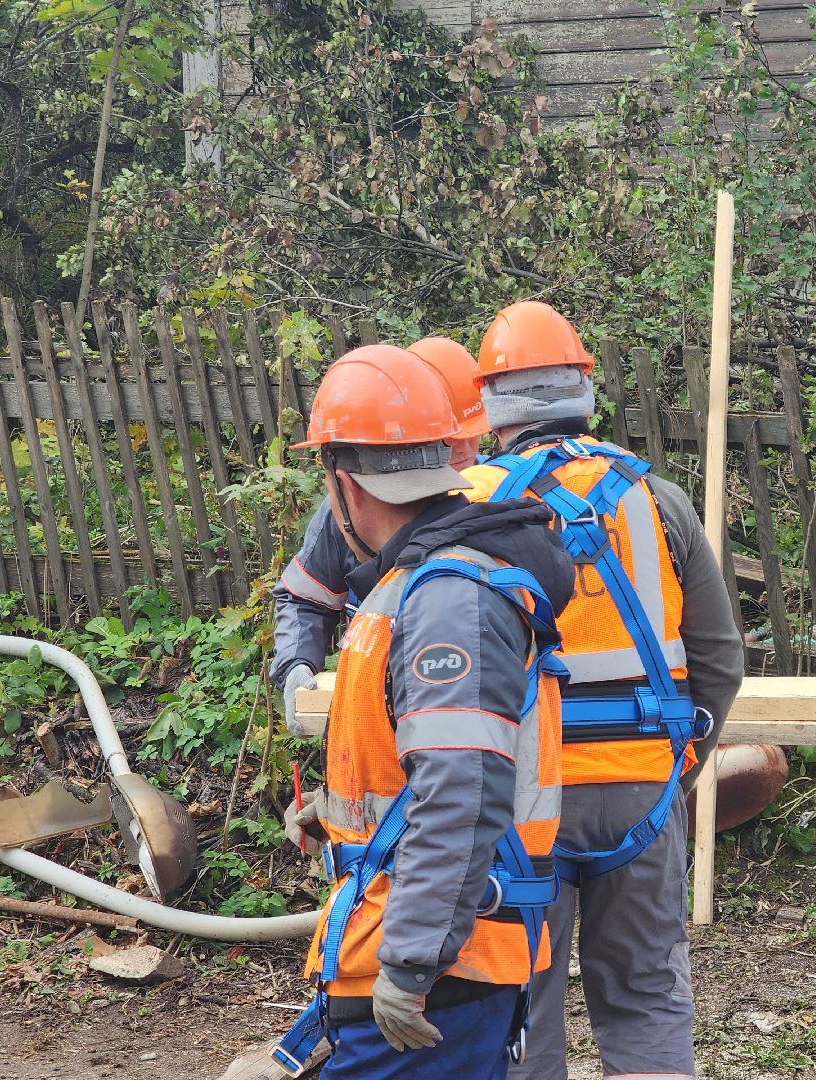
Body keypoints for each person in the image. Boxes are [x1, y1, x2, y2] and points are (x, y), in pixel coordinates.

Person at [274, 343, 575, 1079]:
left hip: (435, 970)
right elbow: (424, 768)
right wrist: (339, 810)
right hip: (413, 949)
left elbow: (462, 792)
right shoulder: (422, 584)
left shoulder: (448, 600)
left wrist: (410, 965)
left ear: (343, 484)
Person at [465, 300, 745, 1080]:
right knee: (647, 996)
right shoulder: (655, 500)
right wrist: (675, 771)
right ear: (584, 390)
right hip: (640, 795)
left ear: (492, 402)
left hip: (520, 801)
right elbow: (720, 661)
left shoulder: (466, 505)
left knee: (521, 995)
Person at [271, 337, 491, 739]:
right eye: (450, 437)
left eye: (471, 435)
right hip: (370, 734)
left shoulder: (504, 502)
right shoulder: (346, 511)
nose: (463, 448)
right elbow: (304, 597)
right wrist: (297, 665)